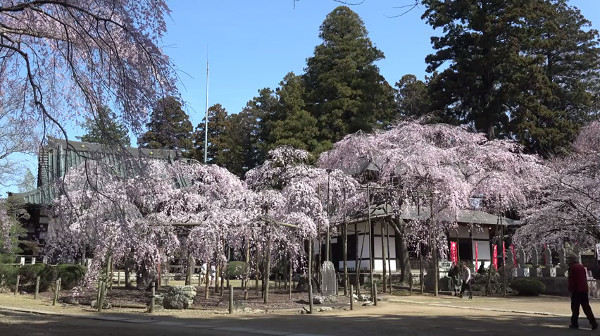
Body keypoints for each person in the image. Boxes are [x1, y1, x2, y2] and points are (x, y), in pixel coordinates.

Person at [567, 253, 598, 330]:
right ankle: (593, 322)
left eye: (568, 259)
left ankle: (574, 323)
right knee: (586, 307)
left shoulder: (572, 267)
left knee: (575, 307)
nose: (567, 260)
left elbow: (572, 280)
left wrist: (570, 289)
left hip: (576, 290)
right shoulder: (582, 266)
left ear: (571, 260)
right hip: (584, 289)